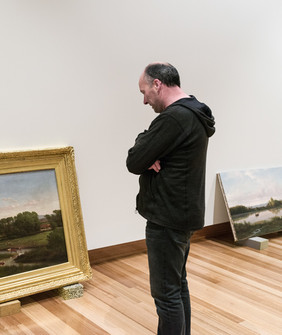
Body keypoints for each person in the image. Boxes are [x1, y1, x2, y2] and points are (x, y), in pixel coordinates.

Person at [126, 62, 215, 334]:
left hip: (166, 217)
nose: (144, 100)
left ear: (157, 84)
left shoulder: (173, 118)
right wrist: (148, 147)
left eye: (144, 92)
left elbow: (133, 161)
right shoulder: (195, 112)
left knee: (166, 295)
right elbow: (143, 158)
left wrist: (146, 145)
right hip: (183, 214)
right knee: (177, 285)